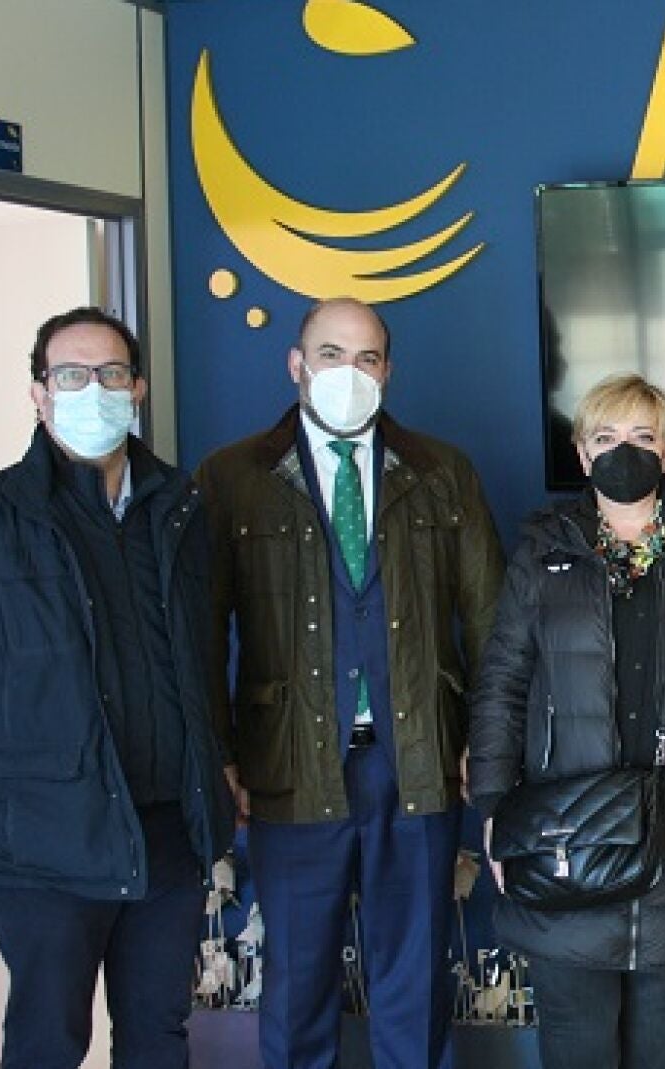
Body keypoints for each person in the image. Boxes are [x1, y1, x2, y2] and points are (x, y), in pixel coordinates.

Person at [0, 307, 233, 1068]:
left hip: (167, 835)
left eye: (111, 374)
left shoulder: (179, 508)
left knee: (158, 1037)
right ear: (40, 394)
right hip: (45, 846)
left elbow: (202, 658)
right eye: (71, 375)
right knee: (48, 1043)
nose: (93, 390)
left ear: (137, 388)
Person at [195, 298, 504, 1069]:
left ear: (388, 371)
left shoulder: (442, 472)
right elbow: (198, 633)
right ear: (296, 365)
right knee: (297, 987)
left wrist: (488, 741)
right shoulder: (233, 477)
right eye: (331, 354)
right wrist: (219, 753)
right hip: (290, 763)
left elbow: (494, 623)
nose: (349, 371)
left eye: (367, 358)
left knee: (416, 980)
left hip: (418, 759)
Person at [468, 374, 665, 1069]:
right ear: (582, 453)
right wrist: (492, 805)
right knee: (576, 1038)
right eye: (606, 437)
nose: (624, 451)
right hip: (565, 833)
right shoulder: (541, 553)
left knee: (660, 1040)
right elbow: (502, 686)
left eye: (642, 436)